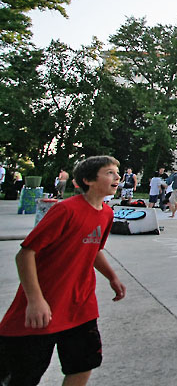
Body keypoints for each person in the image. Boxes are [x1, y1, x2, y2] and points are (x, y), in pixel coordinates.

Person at [0, 156, 126, 385]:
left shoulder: (107, 213)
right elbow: (25, 254)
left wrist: (112, 277)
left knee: (83, 364)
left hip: (80, 306)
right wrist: (35, 300)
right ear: (87, 180)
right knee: (25, 375)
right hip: (45, 306)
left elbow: (94, 248)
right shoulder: (65, 210)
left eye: (117, 173)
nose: (117, 177)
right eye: (109, 172)